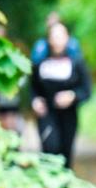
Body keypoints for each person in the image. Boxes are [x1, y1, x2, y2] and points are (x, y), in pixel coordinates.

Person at [31, 23, 92, 169]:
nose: (57, 40)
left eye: (61, 36)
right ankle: (48, 180)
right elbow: (33, 87)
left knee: (66, 153)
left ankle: (65, 181)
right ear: (49, 40)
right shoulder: (40, 63)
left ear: (67, 38)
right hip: (47, 113)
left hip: (69, 115)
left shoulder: (77, 63)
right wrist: (35, 100)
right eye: (54, 36)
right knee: (50, 148)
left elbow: (86, 90)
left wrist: (73, 96)